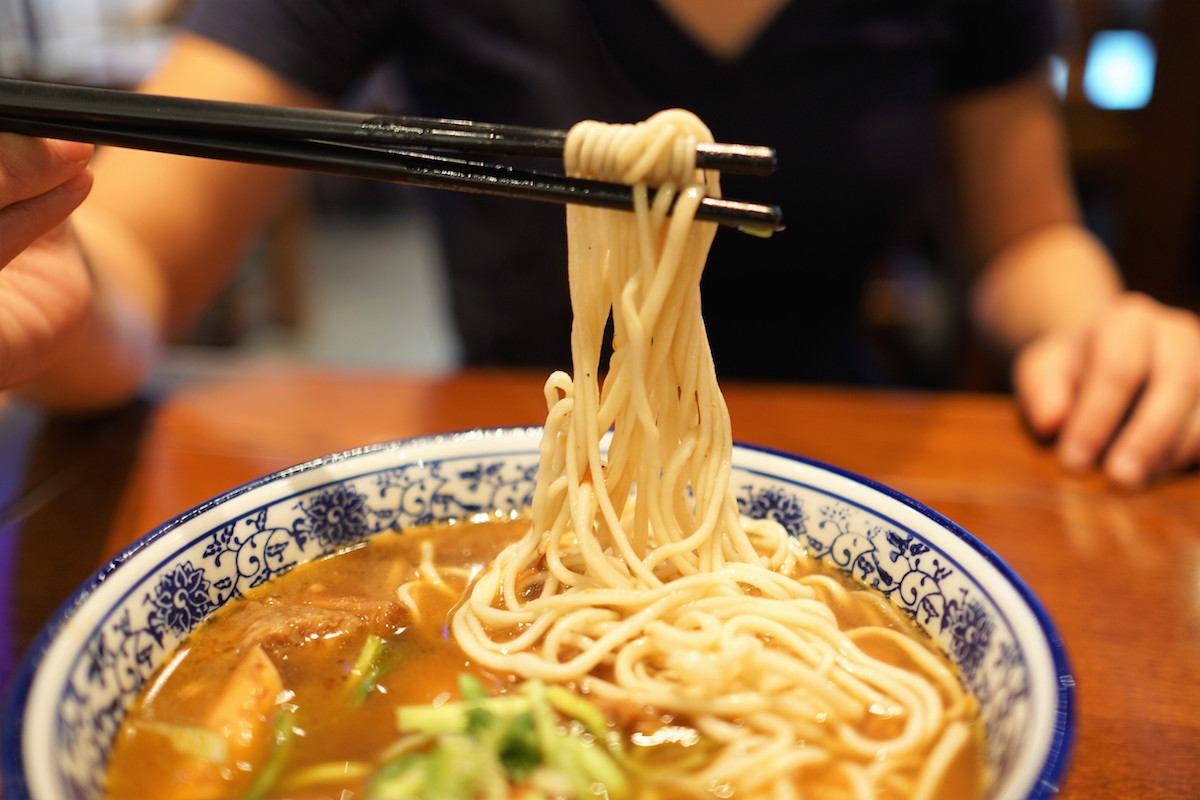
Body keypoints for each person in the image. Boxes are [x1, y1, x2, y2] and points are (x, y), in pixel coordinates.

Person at [1, 0, 1198, 490]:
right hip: (516, 476)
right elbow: (131, 260)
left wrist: (1098, 328)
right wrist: (52, 283)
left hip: (846, 466)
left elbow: (1028, 233)